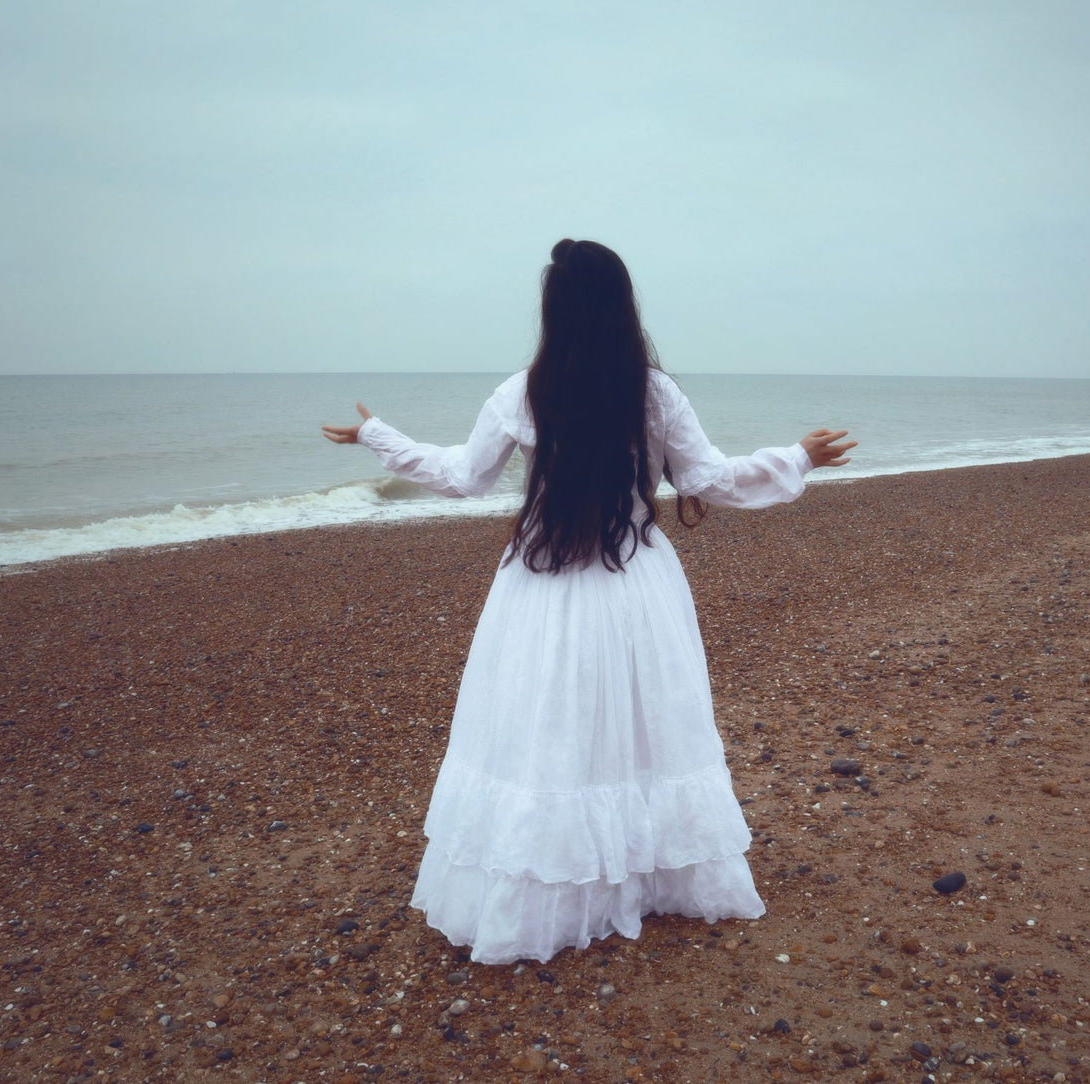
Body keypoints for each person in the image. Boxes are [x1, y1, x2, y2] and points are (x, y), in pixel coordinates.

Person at [323, 239, 855, 965]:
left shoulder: (522, 390)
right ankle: (640, 873)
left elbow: (462, 476)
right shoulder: (654, 392)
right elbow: (711, 479)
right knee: (642, 723)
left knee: (548, 727)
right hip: (634, 577)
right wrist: (795, 458)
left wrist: (376, 437)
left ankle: (550, 895)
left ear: (554, 312)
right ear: (620, 307)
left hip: (541, 584)